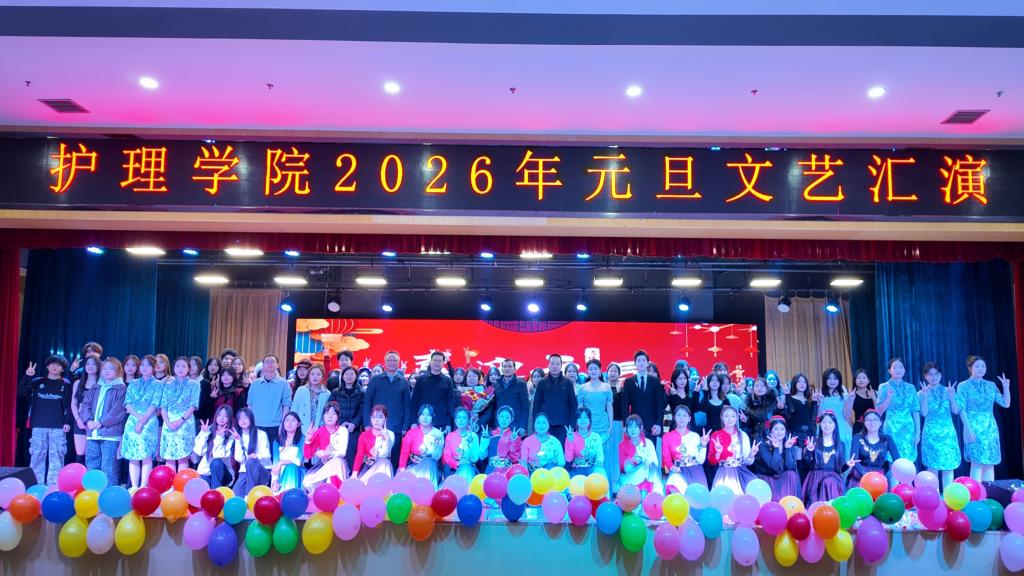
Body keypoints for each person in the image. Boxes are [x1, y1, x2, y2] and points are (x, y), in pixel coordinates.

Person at [957, 355, 1012, 483]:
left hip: (990, 428)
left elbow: (1006, 403)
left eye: (983, 366)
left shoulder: (991, 385)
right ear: (970, 368)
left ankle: (988, 492)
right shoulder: (963, 386)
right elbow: (961, 409)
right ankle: (976, 493)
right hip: (973, 427)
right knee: (977, 462)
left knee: (989, 462)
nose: (981, 368)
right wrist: (968, 429)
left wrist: (1006, 387)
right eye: (977, 366)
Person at [19, 354, 71, 486]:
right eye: (52, 363)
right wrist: (27, 376)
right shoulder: (37, 381)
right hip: (38, 425)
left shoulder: (66, 384)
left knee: (57, 459)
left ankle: (54, 487)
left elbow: (69, 405)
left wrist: (67, 422)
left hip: (58, 426)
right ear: (47, 366)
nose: (55, 367)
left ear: (62, 369)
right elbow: (22, 392)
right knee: (36, 457)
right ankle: (36, 487)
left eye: (58, 365)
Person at [79, 357, 128, 487]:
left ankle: (109, 494)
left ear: (118, 371)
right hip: (92, 432)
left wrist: (101, 422)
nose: (107, 371)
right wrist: (88, 421)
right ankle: (93, 492)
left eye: (111, 368)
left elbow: (118, 411)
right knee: (92, 464)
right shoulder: (95, 387)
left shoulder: (122, 389)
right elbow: (85, 406)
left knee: (108, 467)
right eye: (105, 368)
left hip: (110, 434)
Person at [362, 350, 412, 469]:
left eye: (395, 360)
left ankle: (392, 478)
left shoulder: (404, 382)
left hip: (396, 426)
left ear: (398, 362)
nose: (392, 362)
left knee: (394, 457)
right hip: (376, 424)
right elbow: (367, 402)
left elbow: (407, 406)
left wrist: (405, 426)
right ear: (385, 362)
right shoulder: (375, 380)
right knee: (375, 455)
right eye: (389, 360)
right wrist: (367, 423)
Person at [121, 355, 162, 490]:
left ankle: (144, 486)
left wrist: (142, 421)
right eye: (142, 365)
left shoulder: (158, 384)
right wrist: (138, 418)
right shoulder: (133, 383)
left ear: (154, 368)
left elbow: (155, 404)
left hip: (149, 421)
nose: (144, 368)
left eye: (148, 365)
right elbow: (127, 403)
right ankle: (134, 486)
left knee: (146, 455)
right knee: (133, 455)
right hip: (133, 420)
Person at [917, 362, 961, 490]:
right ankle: (934, 497)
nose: (933, 377)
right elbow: (924, 413)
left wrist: (952, 397)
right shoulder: (920, 393)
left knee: (948, 466)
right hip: (931, 434)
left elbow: (956, 411)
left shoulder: (949, 391)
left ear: (941, 375)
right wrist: (924, 398)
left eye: (936, 374)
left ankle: (949, 496)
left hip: (948, 433)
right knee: (932, 467)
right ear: (925, 376)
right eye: (930, 374)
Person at [158, 356, 200, 473]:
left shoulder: (194, 384)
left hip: (185, 422)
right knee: (169, 456)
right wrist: (168, 422)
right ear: (173, 368)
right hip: (169, 422)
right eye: (177, 366)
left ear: (188, 369)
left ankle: (180, 483)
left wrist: (180, 421)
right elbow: (163, 406)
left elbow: (193, 405)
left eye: (183, 366)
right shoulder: (168, 384)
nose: (180, 369)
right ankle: (170, 482)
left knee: (182, 457)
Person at [802, 411, 854, 505]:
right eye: (824, 422)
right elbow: (806, 465)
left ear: (835, 425)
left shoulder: (840, 444)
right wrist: (809, 451)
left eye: (830, 422)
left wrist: (847, 465)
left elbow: (840, 470)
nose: (827, 425)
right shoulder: (814, 442)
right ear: (820, 424)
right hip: (815, 479)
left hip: (833, 481)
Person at [577, 359, 615, 483]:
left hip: (603, 425)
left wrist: (610, 425)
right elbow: (580, 409)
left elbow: (609, 407)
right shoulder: (583, 388)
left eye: (595, 369)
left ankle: (605, 487)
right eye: (590, 369)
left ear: (600, 371)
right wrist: (580, 426)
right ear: (587, 371)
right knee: (587, 455)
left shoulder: (606, 387)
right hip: (587, 427)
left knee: (603, 457)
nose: (593, 371)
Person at [877, 357, 920, 465]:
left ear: (904, 370)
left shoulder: (911, 387)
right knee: (893, 460)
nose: (898, 370)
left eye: (901, 367)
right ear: (889, 370)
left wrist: (918, 432)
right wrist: (888, 398)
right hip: (891, 429)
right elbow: (879, 411)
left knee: (908, 461)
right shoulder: (884, 387)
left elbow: (915, 410)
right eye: (895, 367)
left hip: (908, 429)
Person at [707, 406, 758, 496]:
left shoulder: (743, 435)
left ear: (737, 418)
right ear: (722, 418)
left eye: (733, 416)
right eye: (726, 416)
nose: (730, 419)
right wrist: (718, 453)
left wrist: (751, 455)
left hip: (741, 472)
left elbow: (748, 462)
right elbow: (711, 461)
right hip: (723, 472)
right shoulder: (715, 436)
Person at [751, 416, 801, 502]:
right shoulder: (763, 446)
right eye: (776, 429)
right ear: (770, 431)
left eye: (782, 429)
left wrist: (788, 448)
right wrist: (776, 448)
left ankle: (790, 503)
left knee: (792, 474)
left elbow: (790, 467)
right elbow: (775, 468)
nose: (779, 432)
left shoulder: (788, 444)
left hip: (782, 479)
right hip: (768, 479)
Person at [621, 350, 667, 442]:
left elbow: (659, 405)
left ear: (647, 363)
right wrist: (626, 424)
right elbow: (625, 405)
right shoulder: (629, 382)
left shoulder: (655, 381)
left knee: (651, 448)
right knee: (634, 448)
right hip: (634, 425)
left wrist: (658, 423)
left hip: (652, 425)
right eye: (639, 361)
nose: (641, 363)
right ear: (635, 363)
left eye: (643, 360)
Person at [847, 409, 899, 489]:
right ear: (864, 422)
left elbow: (897, 461)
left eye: (875, 420)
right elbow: (854, 460)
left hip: (880, 477)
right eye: (868, 420)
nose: (872, 422)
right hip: (860, 475)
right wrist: (868, 476)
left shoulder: (887, 439)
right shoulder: (857, 437)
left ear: (880, 422)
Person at [532, 354, 577, 446]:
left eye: (557, 364)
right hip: (545, 425)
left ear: (561, 366)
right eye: (552, 364)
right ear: (548, 365)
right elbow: (536, 405)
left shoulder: (567, 383)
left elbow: (573, 405)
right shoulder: (542, 382)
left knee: (562, 450)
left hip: (564, 426)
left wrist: (572, 424)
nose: (555, 366)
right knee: (545, 450)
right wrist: (535, 424)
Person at [662, 405, 709, 494]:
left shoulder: (695, 436)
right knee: (675, 491)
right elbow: (667, 458)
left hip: (695, 470)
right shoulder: (667, 437)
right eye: (679, 415)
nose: (682, 418)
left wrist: (703, 446)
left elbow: (700, 461)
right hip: (677, 470)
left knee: (698, 496)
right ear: (674, 417)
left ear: (689, 419)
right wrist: (672, 468)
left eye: (685, 415)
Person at [303, 402, 350, 489]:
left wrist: (326, 453)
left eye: (333, 414)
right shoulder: (319, 431)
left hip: (339, 464)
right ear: (323, 415)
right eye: (327, 413)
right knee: (307, 481)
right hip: (324, 465)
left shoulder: (343, 430)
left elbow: (342, 453)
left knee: (336, 463)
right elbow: (308, 455)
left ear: (338, 416)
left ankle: (338, 493)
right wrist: (308, 440)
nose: (330, 416)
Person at [247, 355, 292, 446]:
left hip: (276, 426)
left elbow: (286, 406)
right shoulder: (255, 384)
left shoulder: (284, 384)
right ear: (263, 365)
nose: (270, 364)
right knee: (257, 452)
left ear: (277, 365)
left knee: (273, 452)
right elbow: (250, 405)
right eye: (267, 361)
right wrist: (250, 424)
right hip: (256, 424)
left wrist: (283, 424)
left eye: (273, 361)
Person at [399, 404, 445, 488]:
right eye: (422, 414)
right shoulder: (411, 433)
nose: (425, 417)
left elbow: (436, 457)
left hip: (430, 466)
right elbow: (404, 452)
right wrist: (402, 469)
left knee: (429, 464)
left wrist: (437, 446)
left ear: (433, 416)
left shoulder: (438, 434)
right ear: (418, 415)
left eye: (428, 415)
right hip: (413, 465)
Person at [411, 351, 459, 431]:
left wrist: (449, 423)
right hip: (423, 421)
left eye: (439, 361)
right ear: (430, 362)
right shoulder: (421, 380)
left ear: (443, 363)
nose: (437, 363)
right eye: (435, 360)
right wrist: (413, 422)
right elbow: (414, 402)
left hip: (442, 422)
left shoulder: (448, 381)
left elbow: (451, 403)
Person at [618, 414, 664, 496]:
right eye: (630, 427)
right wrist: (628, 463)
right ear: (626, 429)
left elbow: (656, 462)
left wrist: (649, 461)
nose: (633, 430)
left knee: (650, 469)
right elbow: (621, 468)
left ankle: (652, 494)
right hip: (629, 479)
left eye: (635, 427)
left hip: (646, 476)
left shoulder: (648, 443)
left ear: (641, 428)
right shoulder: (622, 445)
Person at [192, 405, 236, 489]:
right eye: (219, 415)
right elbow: (199, 451)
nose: (221, 418)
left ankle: (216, 493)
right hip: (206, 471)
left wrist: (219, 437)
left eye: (225, 416)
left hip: (224, 472)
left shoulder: (230, 436)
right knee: (202, 489)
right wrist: (203, 434)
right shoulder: (207, 429)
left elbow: (218, 456)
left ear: (229, 419)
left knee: (216, 462)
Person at [330, 366, 364, 472]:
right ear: (342, 376)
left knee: (352, 454)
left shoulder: (361, 393)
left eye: (352, 374)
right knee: (338, 452)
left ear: (356, 376)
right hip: (338, 427)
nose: (349, 376)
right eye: (347, 374)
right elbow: (331, 408)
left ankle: (352, 476)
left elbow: (362, 410)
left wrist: (354, 423)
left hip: (354, 429)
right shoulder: (335, 392)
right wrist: (340, 423)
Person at [232, 407, 271, 496]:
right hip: (245, 471)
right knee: (236, 494)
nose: (243, 421)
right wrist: (237, 441)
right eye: (240, 418)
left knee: (251, 462)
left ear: (251, 418)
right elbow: (239, 459)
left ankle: (249, 496)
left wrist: (256, 456)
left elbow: (267, 455)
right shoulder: (239, 435)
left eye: (245, 417)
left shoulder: (261, 434)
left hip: (263, 469)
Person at [483, 359, 530, 433]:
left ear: (514, 369)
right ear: (501, 369)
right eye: (504, 366)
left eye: (510, 366)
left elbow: (525, 407)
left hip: (515, 425)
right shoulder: (496, 384)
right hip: (499, 425)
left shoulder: (521, 384)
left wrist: (523, 426)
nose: (507, 369)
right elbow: (493, 407)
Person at [352, 404, 396, 481]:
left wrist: (386, 439)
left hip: (383, 466)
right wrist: (354, 473)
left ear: (385, 419)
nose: (377, 420)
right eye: (374, 417)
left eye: (380, 417)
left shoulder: (390, 434)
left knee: (383, 462)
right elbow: (359, 455)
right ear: (371, 419)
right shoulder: (364, 435)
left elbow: (384, 455)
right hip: (368, 466)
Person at [70, 355, 100, 464]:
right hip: (80, 421)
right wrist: (78, 419)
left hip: (96, 422)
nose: (90, 366)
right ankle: (80, 475)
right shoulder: (77, 383)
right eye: (88, 364)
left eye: (94, 364)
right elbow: (73, 403)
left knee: (93, 454)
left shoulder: (102, 383)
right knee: (80, 453)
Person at [443, 407, 484, 486]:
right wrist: (457, 464)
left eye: (464, 418)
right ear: (455, 420)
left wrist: (470, 444)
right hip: (454, 469)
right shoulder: (450, 436)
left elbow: (475, 458)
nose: (461, 420)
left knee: (466, 469)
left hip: (469, 468)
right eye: (459, 417)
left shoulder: (473, 436)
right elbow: (447, 457)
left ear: (468, 421)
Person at [565, 407, 606, 480]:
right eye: (580, 418)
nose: (583, 420)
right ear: (576, 421)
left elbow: (600, 455)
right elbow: (568, 459)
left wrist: (599, 461)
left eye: (586, 418)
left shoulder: (596, 437)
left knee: (600, 471)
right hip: (576, 469)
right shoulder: (571, 436)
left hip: (592, 468)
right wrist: (570, 441)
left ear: (590, 421)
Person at [818, 368, 851, 457]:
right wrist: (820, 402)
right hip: (825, 426)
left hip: (842, 427)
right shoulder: (820, 395)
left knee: (844, 453)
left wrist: (850, 400)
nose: (832, 381)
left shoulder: (845, 396)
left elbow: (847, 415)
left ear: (839, 380)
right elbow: (818, 417)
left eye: (835, 378)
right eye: (829, 378)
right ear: (825, 380)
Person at [292, 362, 331, 436]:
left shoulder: (327, 393)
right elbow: (294, 409)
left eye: (318, 374)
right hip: (301, 429)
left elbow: (327, 413)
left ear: (322, 377)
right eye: (312, 374)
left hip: (319, 430)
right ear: (309, 376)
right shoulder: (301, 390)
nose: (315, 377)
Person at [271, 412, 306, 493]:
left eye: (293, 420)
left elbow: (298, 460)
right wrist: (275, 480)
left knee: (290, 467)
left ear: (298, 424)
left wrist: (281, 462)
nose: (289, 423)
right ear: (283, 423)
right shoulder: (277, 442)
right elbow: (275, 464)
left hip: (296, 472)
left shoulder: (302, 439)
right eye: (287, 420)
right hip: (280, 473)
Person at [484, 405, 524, 474]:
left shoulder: (514, 436)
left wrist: (514, 441)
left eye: (507, 417)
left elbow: (515, 458)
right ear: (497, 417)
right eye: (502, 416)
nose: (504, 420)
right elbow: (483, 455)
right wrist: (484, 439)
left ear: (511, 419)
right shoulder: (490, 434)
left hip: (506, 472)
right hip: (490, 470)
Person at [741, 376, 782, 442]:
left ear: (766, 388)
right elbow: (749, 425)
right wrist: (746, 420)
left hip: (772, 436)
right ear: (753, 389)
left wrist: (782, 409)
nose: (759, 388)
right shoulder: (749, 404)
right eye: (757, 386)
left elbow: (782, 419)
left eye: (762, 386)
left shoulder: (773, 401)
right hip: (755, 437)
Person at [607, 362, 625, 490]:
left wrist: (619, 392)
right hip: (605, 423)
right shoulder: (603, 387)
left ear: (619, 374)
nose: (613, 373)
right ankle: (608, 479)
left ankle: (617, 480)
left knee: (617, 451)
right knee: (608, 451)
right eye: (611, 371)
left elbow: (623, 407)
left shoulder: (622, 389)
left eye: (615, 371)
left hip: (618, 422)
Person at [845, 369, 877, 436]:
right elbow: (847, 414)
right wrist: (854, 427)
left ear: (868, 381)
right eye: (858, 378)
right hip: (859, 428)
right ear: (855, 381)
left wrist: (874, 398)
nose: (861, 380)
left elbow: (879, 412)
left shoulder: (874, 393)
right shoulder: (852, 395)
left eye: (864, 378)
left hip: (874, 426)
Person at [197, 357, 221, 422]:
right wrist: (209, 388)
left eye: (216, 365)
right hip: (202, 409)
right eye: (210, 364)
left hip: (214, 409)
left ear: (219, 367)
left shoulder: (221, 378)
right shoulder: (201, 379)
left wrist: (218, 386)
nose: (213, 367)